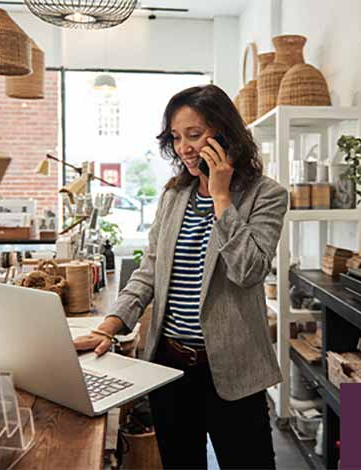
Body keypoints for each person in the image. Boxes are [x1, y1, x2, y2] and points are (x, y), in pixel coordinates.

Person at [74, 84, 287, 469]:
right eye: (176, 137)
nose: (184, 147)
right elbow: (148, 273)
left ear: (225, 134)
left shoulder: (265, 195)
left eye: (194, 134)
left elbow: (248, 270)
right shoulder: (174, 196)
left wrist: (221, 198)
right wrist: (109, 325)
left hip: (234, 373)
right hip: (170, 370)